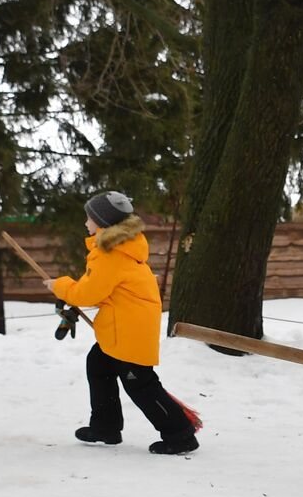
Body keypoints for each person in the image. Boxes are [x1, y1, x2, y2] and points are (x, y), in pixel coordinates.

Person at [48, 192, 200, 455]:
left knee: (141, 384)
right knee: (98, 365)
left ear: (103, 223)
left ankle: (180, 434)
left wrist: (59, 286)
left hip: (128, 331)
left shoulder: (110, 254)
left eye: (89, 218)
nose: (86, 223)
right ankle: (105, 427)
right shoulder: (119, 249)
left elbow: (87, 293)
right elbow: (101, 289)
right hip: (125, 328)